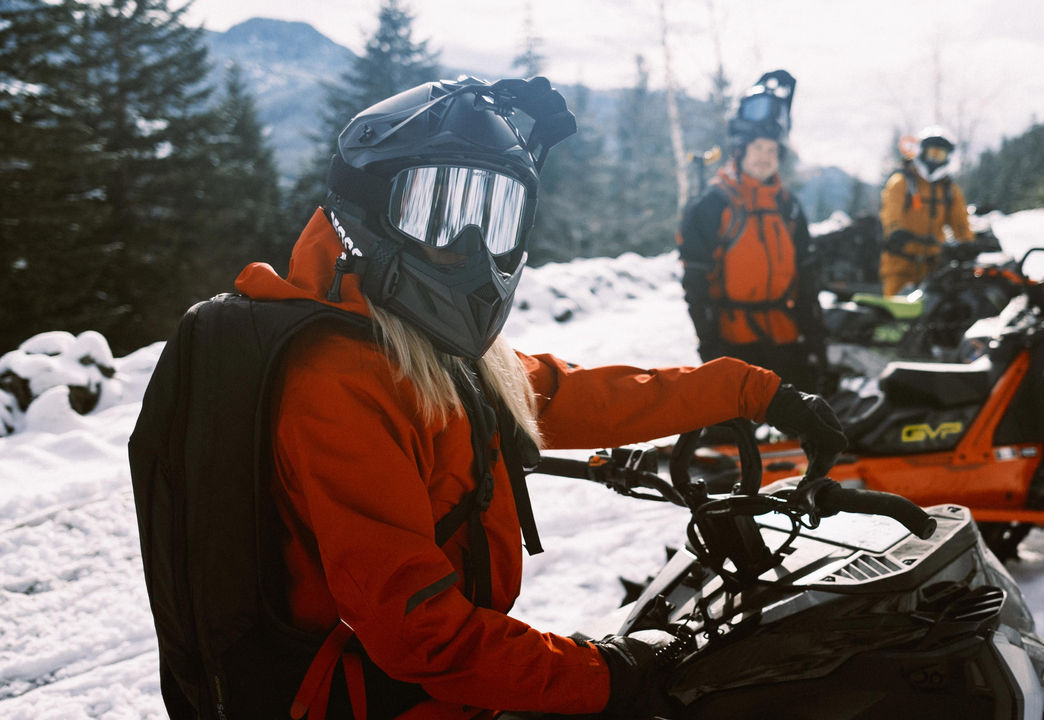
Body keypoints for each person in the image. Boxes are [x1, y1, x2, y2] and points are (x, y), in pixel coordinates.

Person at [229, 76, 846, 718]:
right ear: (371, 211)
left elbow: (577, 395)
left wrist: (753, 391)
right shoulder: (337, 381)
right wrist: (602, 672)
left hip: (452, 689)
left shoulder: (425, 344)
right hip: (380, 699)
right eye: (438, 211)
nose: (471, 248)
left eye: (492, 218)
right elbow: (419, 633)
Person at [677, 70, 826, 394]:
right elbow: (696, 283)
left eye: (772, 150)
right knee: (732, 436)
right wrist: (709, 343)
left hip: (785, 338)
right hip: (733, 342)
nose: (765, 157)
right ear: (740, 151)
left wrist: (814, 337)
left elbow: (806, 279)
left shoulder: (789, 207)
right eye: (758, 147)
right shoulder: (713, 205)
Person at [878, 126, 975, 297]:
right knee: (897, 315)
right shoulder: (901, 182)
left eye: (940, 155)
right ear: (921, 153)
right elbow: (891, 213)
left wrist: (967, 245)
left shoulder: (949, 190)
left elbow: (960, 223)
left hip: (935, 268)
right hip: (900, 266)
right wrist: (896, 232)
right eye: (932, 153)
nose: (935, 160)